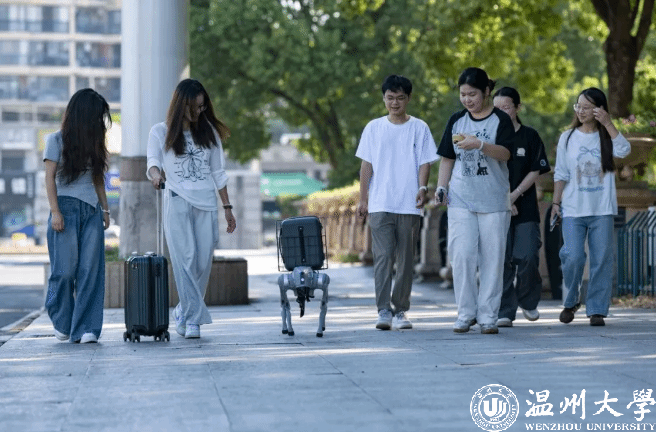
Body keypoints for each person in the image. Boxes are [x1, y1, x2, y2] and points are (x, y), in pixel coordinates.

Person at [147, 79, 236, 339]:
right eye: (195, 106)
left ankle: (183, 312)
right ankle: (194, 320)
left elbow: (218, 173)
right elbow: (152, 161)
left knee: (202, 263)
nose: (199, 111)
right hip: (177, 200)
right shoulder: (160, 132)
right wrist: (155, 175)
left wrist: (227, 207)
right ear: (181, 105)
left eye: (202, 106)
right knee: (184, 260)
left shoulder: (210, 134)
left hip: (206, 202)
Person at [435, 67, 515, 334]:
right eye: (463, 94)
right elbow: (447, 157)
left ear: (486, 92)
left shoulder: (500, 120)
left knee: (493, 260)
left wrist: (479, 144)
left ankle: (488, 316)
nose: (467, 99)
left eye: (472, 94)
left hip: (493, 201)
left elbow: (506, 154)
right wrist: (441, 187)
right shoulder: (457, 120)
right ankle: (465, 313)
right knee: (462, 256)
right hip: (461, 198)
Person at [356, 74, 438, 331]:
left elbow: (425, 162)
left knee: (405, 259)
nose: (395, 103)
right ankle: (383, 310)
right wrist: (363, 199)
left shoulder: (419, 127)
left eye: (400, 98)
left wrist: (422, 188)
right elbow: (366, 165)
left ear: (408, 99)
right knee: (383, 257)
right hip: (380, 203)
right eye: (390, 98)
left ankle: (401, 310)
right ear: (383, 99)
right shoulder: (374, 128)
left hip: (408, 203)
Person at [551, 87, 630, 326]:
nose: (581, 111)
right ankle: (572, 299)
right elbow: (561, 173)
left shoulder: (607, 136)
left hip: (601, 209)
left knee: (602, 260)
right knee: (573, 256)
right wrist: (555, 202)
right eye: (579, 106)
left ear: (599, 109)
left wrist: (608, 123)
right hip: (573, 208)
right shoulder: (567, 137)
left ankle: (597, 309)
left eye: (587, 107)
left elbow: (625, 150)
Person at [44, 88, 111, 344]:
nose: (99, 121)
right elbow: (49, 178)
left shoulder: (94, 142)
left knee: (90, 272)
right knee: (63, 272)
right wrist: (55, 212)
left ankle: (87, 328)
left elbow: (97, 178)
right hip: (64, 210)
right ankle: (61, 317)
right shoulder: (55, 140)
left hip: (91, 210)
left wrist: (105, 209)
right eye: (96, 116)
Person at [493, 87, 551, 327]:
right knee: (502, 259)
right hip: (497, 206)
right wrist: (504, 199)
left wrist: (514, 196)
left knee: (527, 255)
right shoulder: (491, 138)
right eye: (496, 108)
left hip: (525, 205)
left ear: (517, 108)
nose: (501, 112)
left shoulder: (530, 135)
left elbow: (536, 169)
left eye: (506, 107)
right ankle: (505, 310)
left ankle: (528, 300)